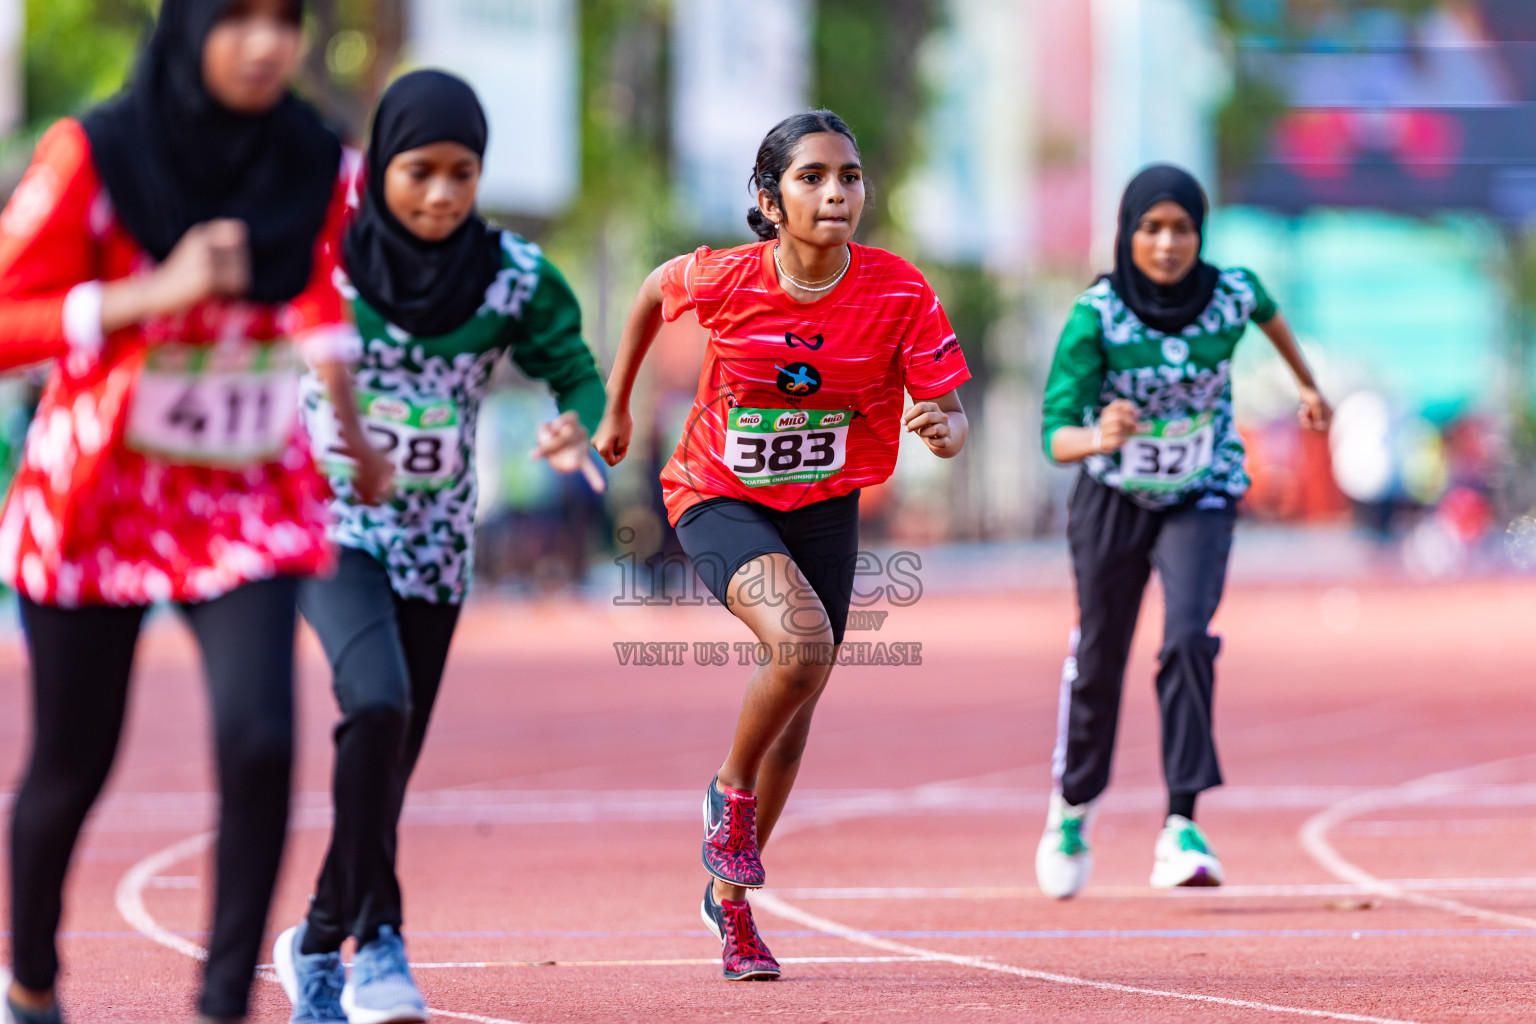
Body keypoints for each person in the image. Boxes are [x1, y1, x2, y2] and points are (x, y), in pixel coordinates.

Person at [0, 1, 353, 1021]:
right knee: (71, 760)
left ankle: (219, 1002)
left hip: (244, 492)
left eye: (285, 19)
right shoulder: (95, 155)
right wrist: (144, 297)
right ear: (188, 25)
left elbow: (325, 289)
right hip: (101, 498)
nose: (265, 43)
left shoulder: (317, 163)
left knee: (260, 741)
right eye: (236, 16)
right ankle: (30, 982)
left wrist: (351, 410)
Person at [593, 110, 971, 980]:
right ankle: (728, 793)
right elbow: (653, 291)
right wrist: (617, 404)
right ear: (769, 200)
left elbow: (950, 408)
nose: (836, 192)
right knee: (801, 644)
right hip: (716, 493)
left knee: (797, 712)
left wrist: (946, 431)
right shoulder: (726, 278)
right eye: (812, 177)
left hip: (825, 506)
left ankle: (731, 908)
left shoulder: (899, 290)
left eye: (850, 175)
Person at [271, 70, 606, 1024]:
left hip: (437, 541)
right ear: (380, 168)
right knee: (373, 703)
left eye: (464, 174)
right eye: (420, 171)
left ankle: (313, 941)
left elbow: (578, 377)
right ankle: (376, 945)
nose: (442, 195)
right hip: (329, 523)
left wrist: (578, 426)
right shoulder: (322, 252)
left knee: (390, 759)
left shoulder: (512, 277)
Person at [1034, 165, 1331, 899]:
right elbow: (1053, 436)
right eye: (1151, 228)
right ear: (1127, 234)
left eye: (1182, 229)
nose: (1168, 244)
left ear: (1201, 235)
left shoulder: (1230, 292)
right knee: (1101, 654)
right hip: (1112, 496)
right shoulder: (1096, 316)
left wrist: (1307, 384)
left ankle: (1181, 826)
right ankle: (1073, 808)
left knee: (1189, 638)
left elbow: (1270, 315)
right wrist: (1099, 435)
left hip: (1201, 486)